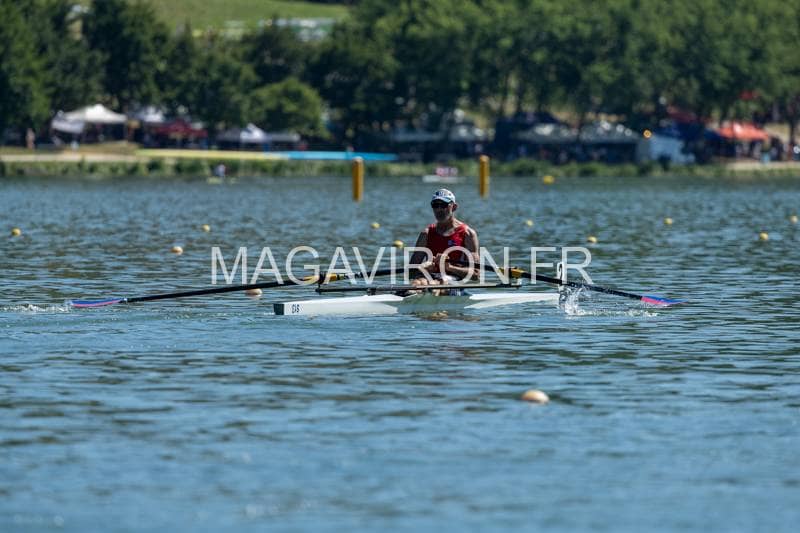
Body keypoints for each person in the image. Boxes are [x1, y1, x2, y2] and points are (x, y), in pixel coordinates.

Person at [408, 189, 479, 293]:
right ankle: (409, 295)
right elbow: (410, 272)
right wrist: (422, 268)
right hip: (430, 278)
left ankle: (426, 294)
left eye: (444, 205)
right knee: (417, 283)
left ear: (454, 207)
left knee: (438, 284)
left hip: (454, 280)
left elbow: (476, 274)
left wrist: (449, 267)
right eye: (435, 205)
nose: (439, 209)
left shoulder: (468, 234)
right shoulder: (426, 234)